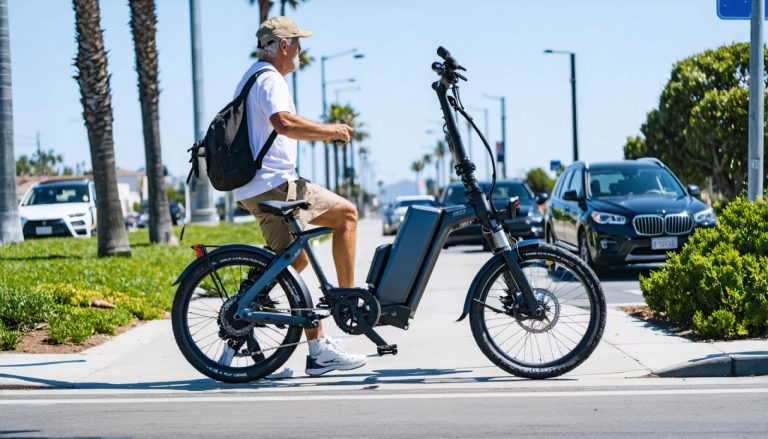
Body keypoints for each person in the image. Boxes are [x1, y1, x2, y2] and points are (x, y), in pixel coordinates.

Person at [233, 16, 366, 377]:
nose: (301, 53)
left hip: (264, 185)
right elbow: (285, 124)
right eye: (298, 44)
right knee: (340, 220)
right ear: (284, 46)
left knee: (299, 257)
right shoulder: (271, 80)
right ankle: (334, 323)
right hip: (275, 185)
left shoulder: (251, 76)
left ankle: (255, 318)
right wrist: (330, 131)